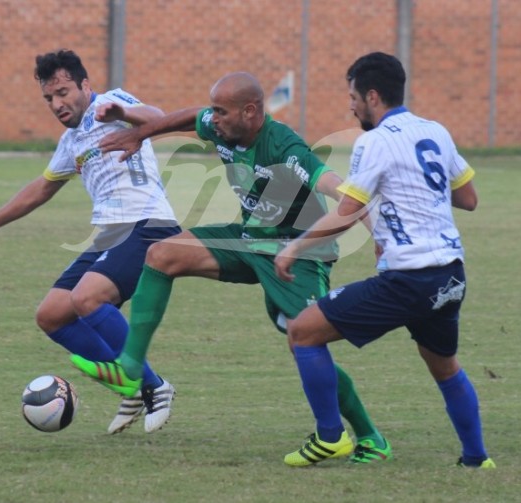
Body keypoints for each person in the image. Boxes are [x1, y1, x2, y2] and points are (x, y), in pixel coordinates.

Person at [71, 71, 393, 465]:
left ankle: (356, 436)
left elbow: (333, 184)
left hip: (299, 253)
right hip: (248, 239)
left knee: (304, 340)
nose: (214, 119)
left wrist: (375, 230)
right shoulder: (224, 128)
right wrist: (142, 131)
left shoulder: (283, 144)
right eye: (215, 111)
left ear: (251, 111)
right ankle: (130, 366)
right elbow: (191, 116)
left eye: (222, 112)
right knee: (161, 255)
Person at [273, 52, 495, 468]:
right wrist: (412, 194)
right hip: (450, 275)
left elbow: (347, 212)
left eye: (354, 96)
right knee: (445, 369)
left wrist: (294, 247)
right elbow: (468, 198)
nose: (351, 105)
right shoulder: (436, 131)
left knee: (302, 332)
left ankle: (330, 437)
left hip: (407, 279)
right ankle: (477, 458)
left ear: (372, 96)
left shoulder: (372, 142)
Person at [0, 49, 181, 435]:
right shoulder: (71, 139)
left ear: (85, 85)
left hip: (147, 225)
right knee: (52, 315)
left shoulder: (110, 102)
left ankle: (153, 387)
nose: (57, 104)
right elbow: (41, 189)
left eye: (63, 92)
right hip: (110, 233)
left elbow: (160, 120)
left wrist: (122, 115)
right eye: (49, 98)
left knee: (87, 298)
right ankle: (135, 390)